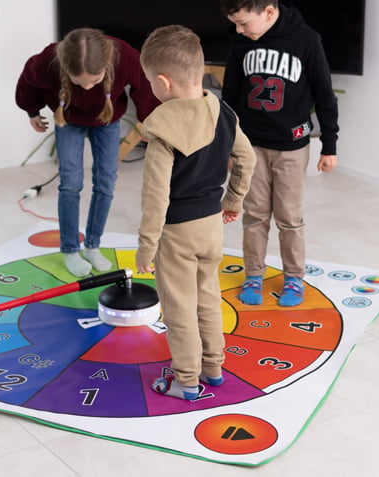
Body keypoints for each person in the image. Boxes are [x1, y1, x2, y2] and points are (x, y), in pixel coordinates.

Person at [135, 25, 256, 401]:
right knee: (207, 296)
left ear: (163, 82)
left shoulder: (163, 130)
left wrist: (146, 247)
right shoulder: (223, 113)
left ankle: (186, 381)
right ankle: (214, 367)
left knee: (179, 309)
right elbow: (246, 158)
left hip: (177, 233)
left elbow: (155, 197)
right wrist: (233, 200)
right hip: (211, 227)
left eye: (149, 83)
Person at [220, 0, 340, 307]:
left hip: (292, 148)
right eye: (235, 23)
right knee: (255, 215)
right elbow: (230, 96)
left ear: (269, 13)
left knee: (289, 217)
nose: (239, 29)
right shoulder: (241, 42)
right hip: (252, 147)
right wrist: (229, 144)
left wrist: (329, 145)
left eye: (244, 22)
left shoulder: (307, 40)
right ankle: (253, 275)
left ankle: (293, 279)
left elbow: (325, 95)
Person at [15, 28, 159, 277]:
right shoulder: (49, 59)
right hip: (68, 119)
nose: (88, 87)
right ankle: (70, 249)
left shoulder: (124, 56)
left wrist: (149, 120)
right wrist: (32, 111)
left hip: (107, 120)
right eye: (79, 82)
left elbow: (145, 86)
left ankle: (93, 245)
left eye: (94, 81)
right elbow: (28, 78)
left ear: (106, 65)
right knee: (70, 183)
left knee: (105, 183)